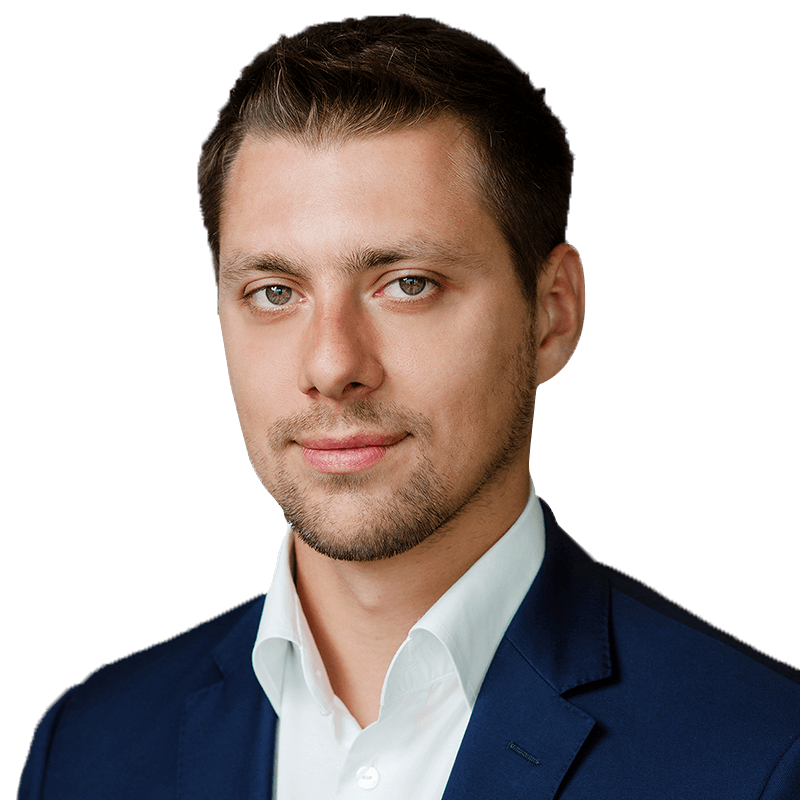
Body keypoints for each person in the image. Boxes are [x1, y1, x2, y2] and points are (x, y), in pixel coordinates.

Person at [19, 15, 799, 799]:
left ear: (552, 314)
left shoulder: (765, 758)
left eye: (408, 284)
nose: (332, 366)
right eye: (275, 292)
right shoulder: (86, 750)